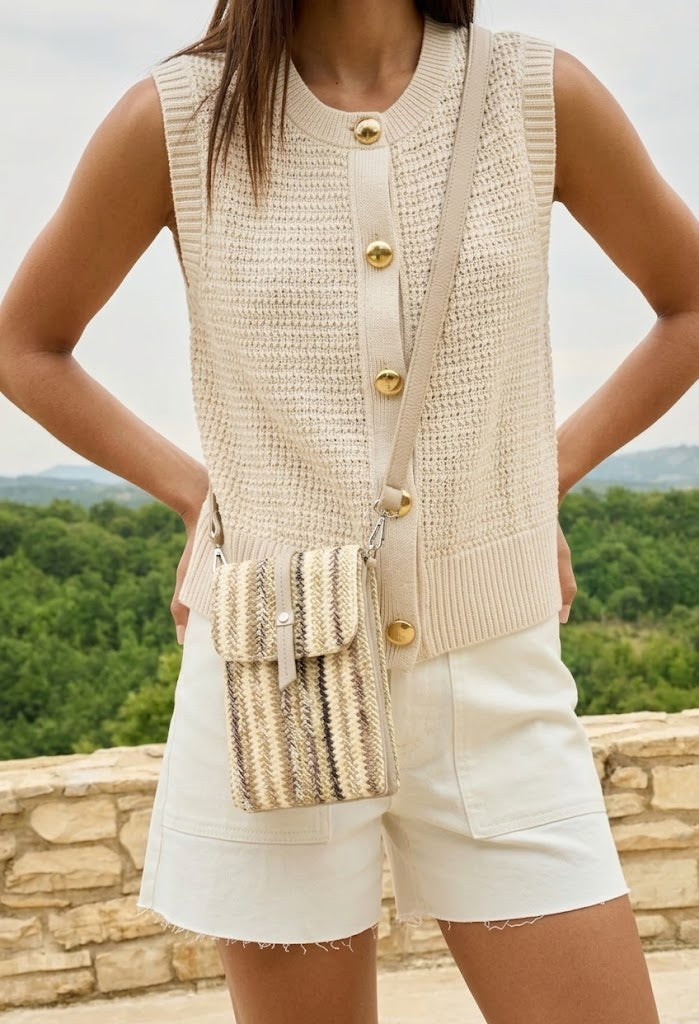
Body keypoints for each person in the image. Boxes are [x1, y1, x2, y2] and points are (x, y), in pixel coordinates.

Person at [1, 0, 697, 1020]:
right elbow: (27, 343)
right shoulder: (180, 117)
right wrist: (202, 491)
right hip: (279, 671)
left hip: (495, 674)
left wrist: (536, 474)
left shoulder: (535, 93)